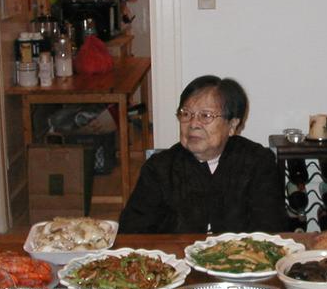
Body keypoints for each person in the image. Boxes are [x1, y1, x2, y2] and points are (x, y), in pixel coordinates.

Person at [119, 75, 286, 234]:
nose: (193, 124)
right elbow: (132, 232)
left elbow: (271, 231)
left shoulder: (257, 163)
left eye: (206, 116)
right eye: (186, 114)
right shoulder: (159, 168)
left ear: (233, 124)